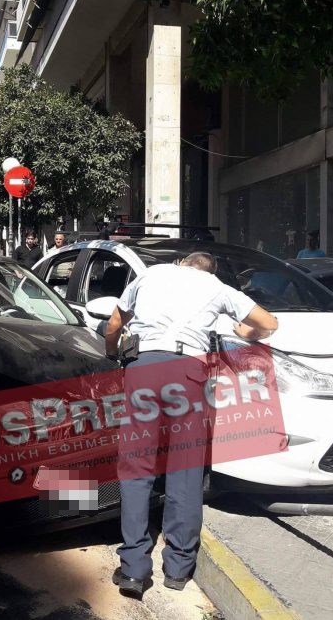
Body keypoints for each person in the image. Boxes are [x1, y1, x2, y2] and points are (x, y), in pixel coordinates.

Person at [104, 252, 278, 595]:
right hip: (189, 374)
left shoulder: (151, 275)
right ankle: (178, 569)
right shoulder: (217, 286)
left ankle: (134, 569)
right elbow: (269, 323)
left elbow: (114, 323)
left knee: (137, 469)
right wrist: (245, 330)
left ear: (182, 261)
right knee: (185, 469)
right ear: (211, 269)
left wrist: (112, 352)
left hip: (144, 368)